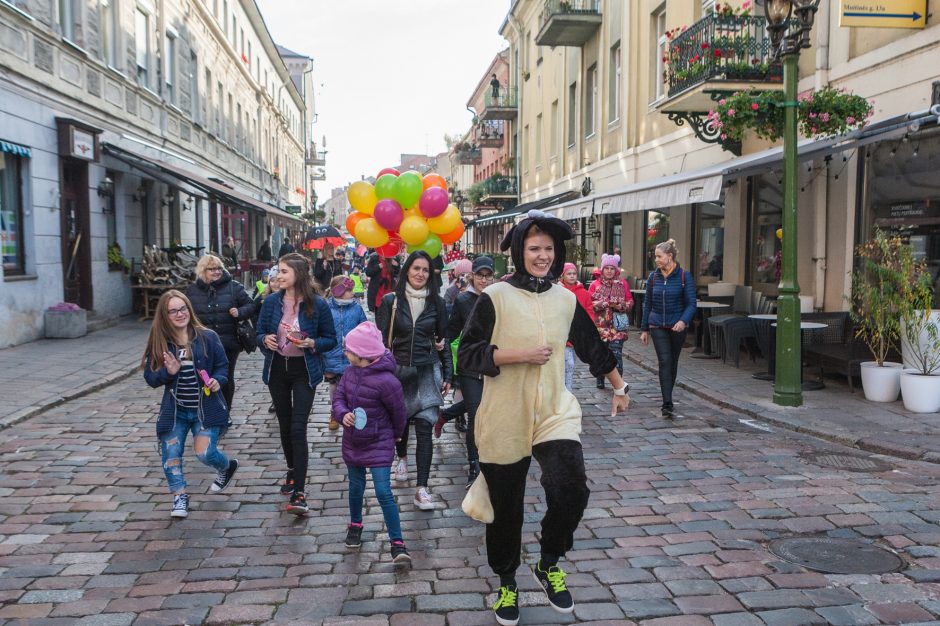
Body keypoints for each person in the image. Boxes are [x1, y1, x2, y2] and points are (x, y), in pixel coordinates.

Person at [458, 210, 630, 626]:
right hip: (505, 414)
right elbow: (467, 354)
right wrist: (519, 355)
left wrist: (620, 386)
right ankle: (506, 584)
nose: (542, 256)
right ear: (520, 251)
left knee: (572, 489)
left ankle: (548, 561)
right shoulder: (495, 296)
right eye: (534, 248)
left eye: (548, 249)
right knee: (507, 508)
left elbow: (592, 346)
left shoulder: (566, 299)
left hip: (554, 410)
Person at [142, 291, 239, 519]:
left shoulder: (208, 337)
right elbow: (151, 378)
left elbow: (223, 367)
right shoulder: (160, 342)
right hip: (175, 411)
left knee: (204, 453)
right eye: (173, 310)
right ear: (165, 316)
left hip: (205, 410)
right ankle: (179, 496)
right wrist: (169, 372)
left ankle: (226, 467)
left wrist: (218, 381)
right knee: (171, 455)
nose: (180, 314)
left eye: (183, 308)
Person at [256, 253, 337, 515]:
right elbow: (259, 332)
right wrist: (264, 340)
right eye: (278, 271)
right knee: (284, 423)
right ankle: (292, 469)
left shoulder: (317, 304)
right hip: (278, 368)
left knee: (298, 426)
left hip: (305, 370)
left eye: (283, 271)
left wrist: (312, 343)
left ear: (298, 274)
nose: (277, 276)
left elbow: (331, 339)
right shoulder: (270, 302)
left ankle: (300, 492)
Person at [375, 251, 452, 511]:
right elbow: (381, 340)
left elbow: (444, 342)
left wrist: (449, 374)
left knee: (424, 427)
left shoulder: (437, 303)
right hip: (399, 370)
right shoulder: (390, 301)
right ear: (407, 270)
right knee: (402, 423)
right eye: (416, 268)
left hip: (426, 370)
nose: (420, 274)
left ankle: (422, 488)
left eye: (425, 270)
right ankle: (403, 457)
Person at [333, 321, 411, 563]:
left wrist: (397, 436)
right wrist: (342, 413)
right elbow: (338, 398)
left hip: (379, 440)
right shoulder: (348, 373)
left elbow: (400, 413)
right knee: (355, 487)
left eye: (348, 350)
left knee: (382, 491)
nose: (345, 353)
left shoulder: (388, 382)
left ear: (364, 355)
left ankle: (397, 542)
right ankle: (355, 524)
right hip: (353, 440)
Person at [435, 255, 495, 486]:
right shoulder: (463, 300)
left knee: (485, 406)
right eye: (479, 275)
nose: (484, 280)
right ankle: (475, 467)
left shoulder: (499, 298)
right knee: (477, 416)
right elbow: (451, 329)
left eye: (488, 276)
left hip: (494, 364)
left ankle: (446, 415)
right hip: (470, 365)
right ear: (473, 276)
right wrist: (442, 347)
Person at [186, 254, 254, 411]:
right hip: (202, 343)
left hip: (228, 342)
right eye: (212, 269)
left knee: (225, 377)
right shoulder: (192, 291)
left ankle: (224, 411)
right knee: (204, 376)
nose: (217, 272)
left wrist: (239, 312)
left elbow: (250, 306)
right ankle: (208, 410)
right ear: (203, 270)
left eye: (219, 268)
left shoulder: (234, 287)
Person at [639, 239, 696, 419]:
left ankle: (668, 396)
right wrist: (644, 329)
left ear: (669, 256)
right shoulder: (653, 277)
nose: (656, 259)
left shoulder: (684, 276)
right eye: (655, 256)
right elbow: (647, 304)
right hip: (657, 325)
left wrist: (683, 320)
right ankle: (667, 402)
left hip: (677, 326)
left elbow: (691, 304)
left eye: (659, 256)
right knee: (664, 361)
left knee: (673, 361)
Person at [322, 276, 368, 430]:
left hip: (352, 355)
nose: (352, 293)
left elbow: (364, 327)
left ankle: (352, 413)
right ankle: (335, 412)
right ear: (339, 291)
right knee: (334, 386)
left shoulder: (356, 308)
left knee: (353, 386)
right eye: (348, 290)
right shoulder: (326, 307)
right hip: (332, 354)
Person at [588, 254, 634, 390]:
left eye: (612, 268)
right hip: (600, 326)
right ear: (602, 270)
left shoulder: (623, 284)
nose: (609, 271)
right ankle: (600, 377)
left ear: (616, 270)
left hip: (618, 325)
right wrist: (607, 303)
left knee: (617, 354)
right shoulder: (595, 285)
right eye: (606, 268)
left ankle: (618, 385)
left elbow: (630, 300)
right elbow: (589, 303)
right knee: (601, 354)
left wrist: (622, 305)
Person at [560, 262, 595, 391]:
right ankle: (566, 390)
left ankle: (565, 388)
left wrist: (587, 326)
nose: (572, 276)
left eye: (574, 273)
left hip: (578, 333)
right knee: (568, 363)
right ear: (563, 276)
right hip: (562, 333)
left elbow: (589, 310)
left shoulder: (584, 293)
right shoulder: (558, 292)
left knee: (570, 361)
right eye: (569, 273)